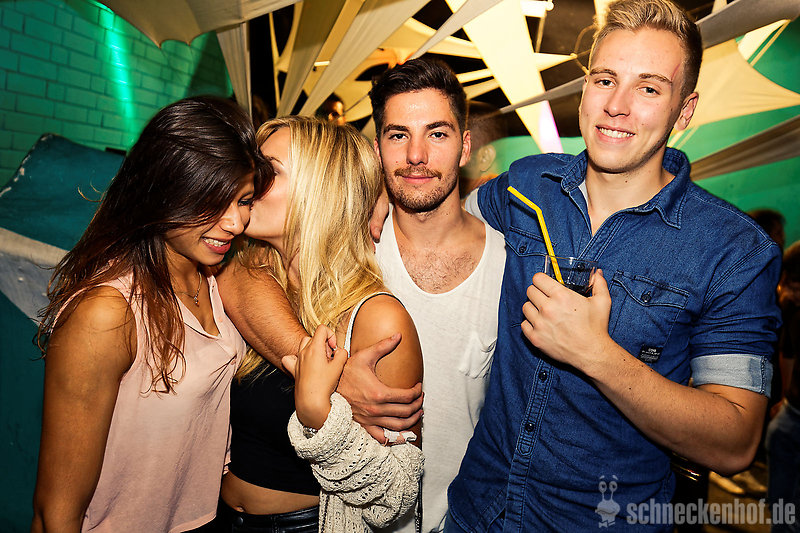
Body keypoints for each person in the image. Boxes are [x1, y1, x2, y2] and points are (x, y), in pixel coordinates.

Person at [448, 0, 782, 530]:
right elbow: (444, 223)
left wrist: (596, 355)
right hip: (475, 512)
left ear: (684, 110)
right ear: (585, 90)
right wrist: (382, 200)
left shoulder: (734, 251)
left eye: (649, 88)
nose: (617, 106)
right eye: (605, 80)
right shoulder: (527, 185)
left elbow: (735, 441)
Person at [31, 95, 270, 533]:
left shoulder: (214, 276)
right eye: (214, 201)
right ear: (166, 190)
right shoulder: (108, 313)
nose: (236, 223)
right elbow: (56, 513)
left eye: (244, 201)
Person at [214, 116, 423, 532]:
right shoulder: (249, 278)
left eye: (268, 170)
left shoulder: (378, 319)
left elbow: (398, 494)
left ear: (322, 190)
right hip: (219, 517)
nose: (248, 181)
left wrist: (321, 418)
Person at [766, 241, 800, 533]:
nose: (793, 293)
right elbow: (787, 352)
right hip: (792, 412)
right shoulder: (790, 307)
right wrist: (785, 398)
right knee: (780, 502)